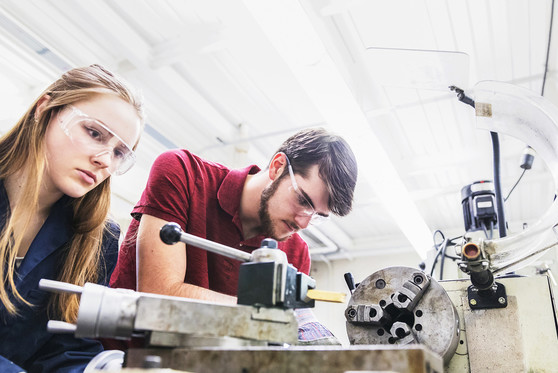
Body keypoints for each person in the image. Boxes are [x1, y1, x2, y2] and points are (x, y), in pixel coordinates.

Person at [110, 128, 357, 344]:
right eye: (303, 200)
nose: (303, 223)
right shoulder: (183, 173)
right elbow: (158, 298)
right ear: (277, 166)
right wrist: (269, 317)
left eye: (317, 215)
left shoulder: (296, 253)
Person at [0, 64, 144, 372]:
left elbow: (67, 348)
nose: (104, 160)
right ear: (45, 108)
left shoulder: (98, 239)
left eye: (119, 153)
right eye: (94, 133)